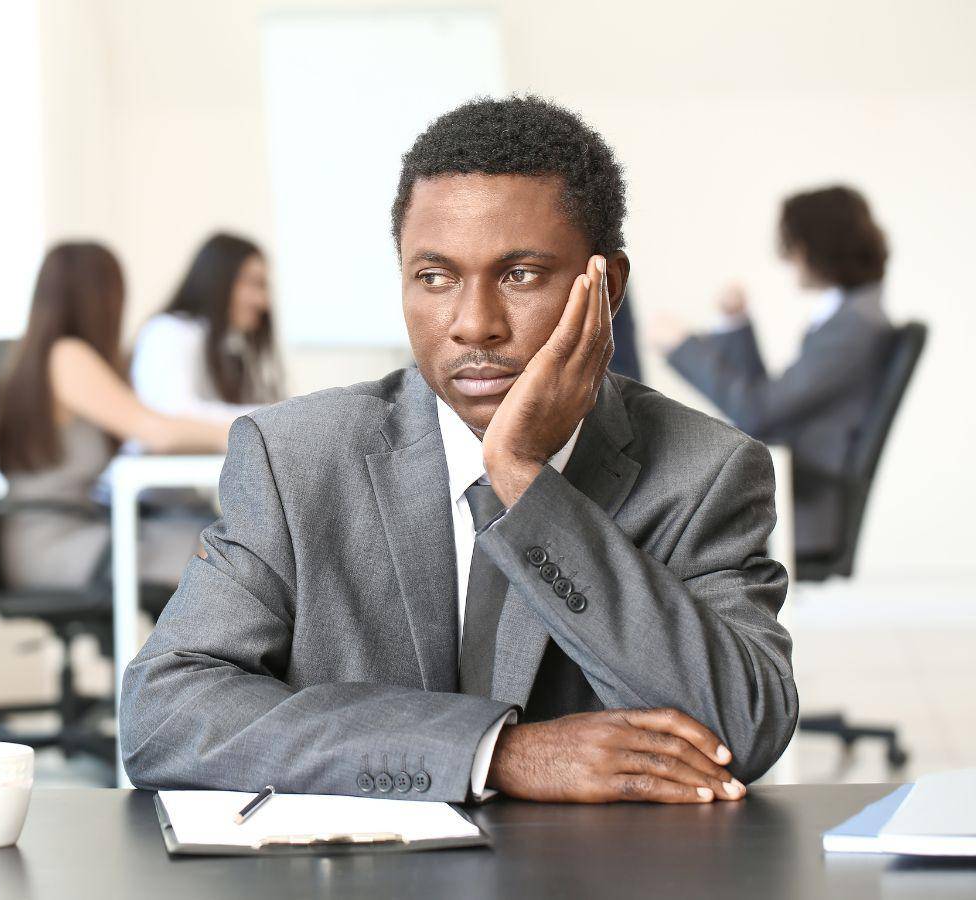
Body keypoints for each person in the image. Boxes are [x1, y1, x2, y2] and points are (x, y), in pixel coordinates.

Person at [121, 97, 796, 805]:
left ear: (608, 287)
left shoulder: (704, 471)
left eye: (520, 274)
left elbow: (741, 729)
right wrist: (490, 752)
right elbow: (165, 714)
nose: (475, 325)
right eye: (435, 278)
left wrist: (524, 479)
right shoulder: (297, 458)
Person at [652, 186, 893, 557]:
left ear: (815, 246)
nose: (787, 257)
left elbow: (756, 413)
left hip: (803, 506)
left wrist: (683, 348)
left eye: (791, 245)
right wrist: (735, 324)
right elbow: (769, 407)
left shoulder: (852, 326)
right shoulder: (853, 315)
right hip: (797, 492)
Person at [0, 242, 231, 589]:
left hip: (71, 530)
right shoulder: (68, 357)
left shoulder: (48, 355)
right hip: (55, 544)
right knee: (223, 552)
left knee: (207, 535)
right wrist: (247, 429)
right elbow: (156, 431)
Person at [131, 232, 283, 424]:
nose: (262, 301)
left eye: (263, 286)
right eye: (253, 284)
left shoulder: (233, 345)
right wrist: (272, 417)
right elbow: (173, 414)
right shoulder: (168, 332)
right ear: (217, 280)